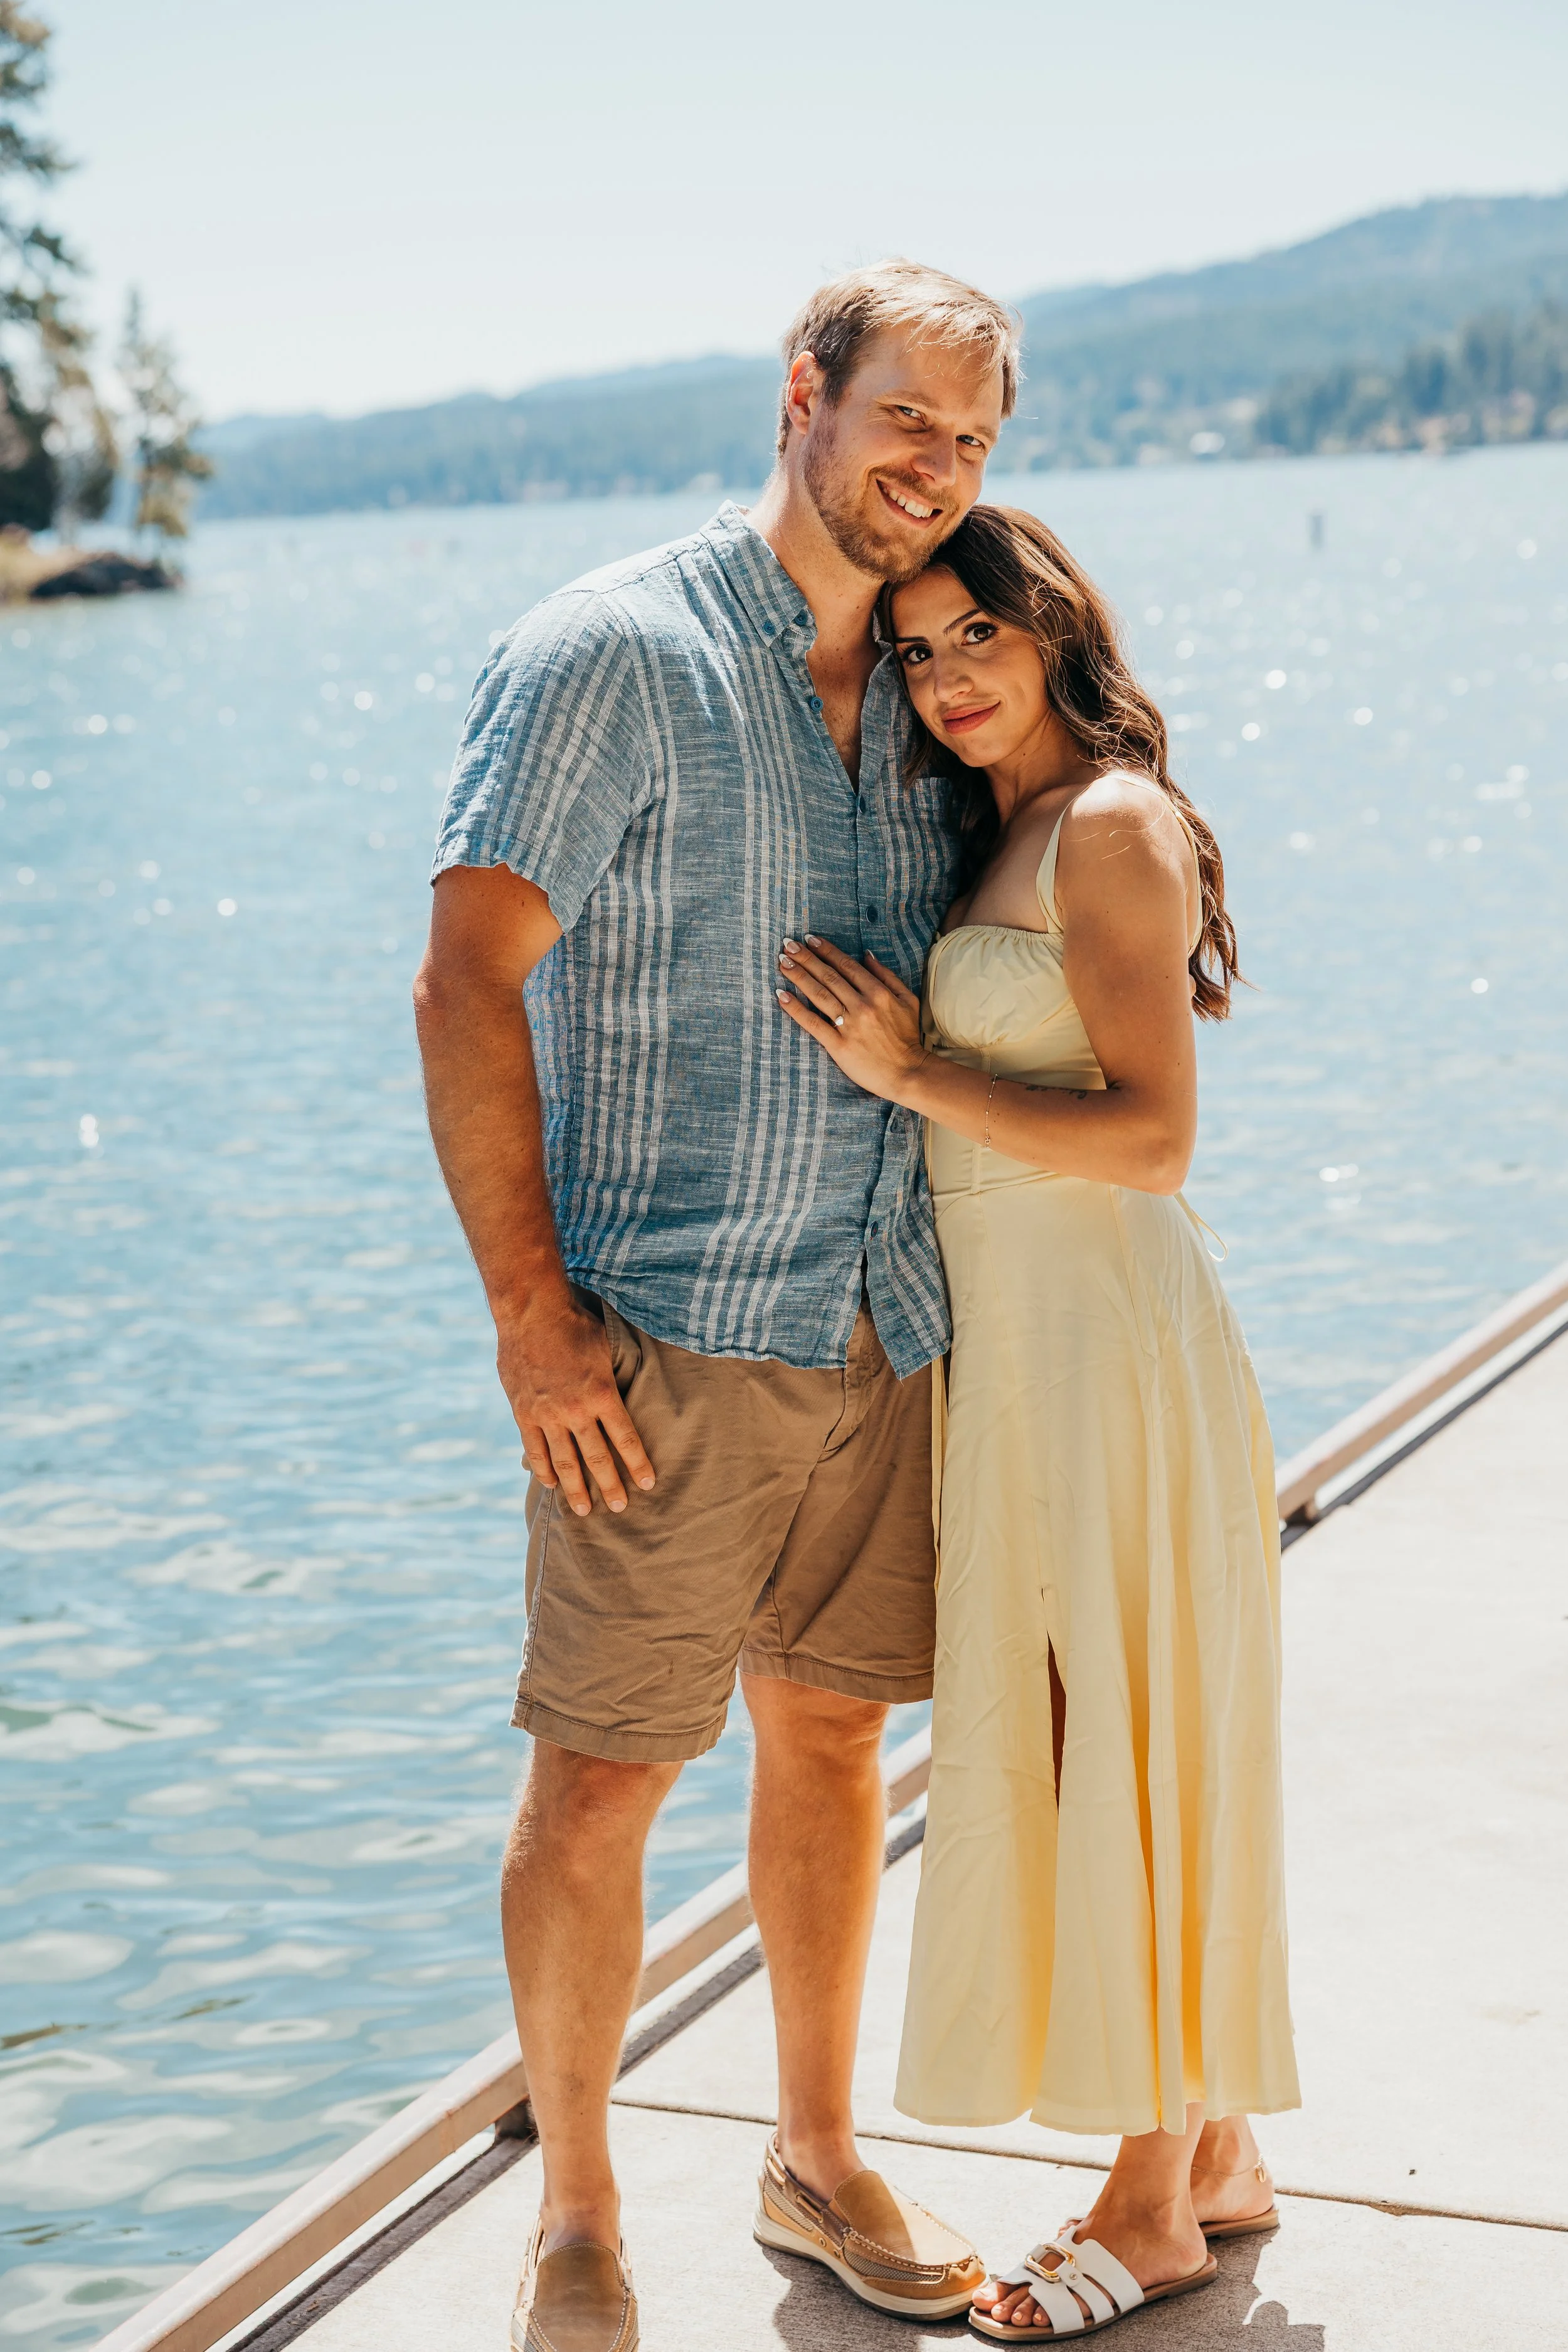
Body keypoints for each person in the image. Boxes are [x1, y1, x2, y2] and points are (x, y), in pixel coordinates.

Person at [414, 262, 1019, 2352]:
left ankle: (813, 2144)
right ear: (802, 395)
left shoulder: (951, 679)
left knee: (837, 1731)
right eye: (904, 422)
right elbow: (465, 979)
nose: (931, 473)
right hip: (658, 1329)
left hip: (884, 1312)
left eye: (970, 441)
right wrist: (529, 1322)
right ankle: (575, 2206)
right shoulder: (610, 652)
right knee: (600, 1772)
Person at [776, 504, 1301, 2340]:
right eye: (913, 652)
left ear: (1048, 619)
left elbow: (1156, 1140)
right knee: (1090, 1722)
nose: (943, 676)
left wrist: (911, 1062)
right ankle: (1212, 2145)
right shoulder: (999, 828)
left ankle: (1147, 2205)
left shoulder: (1116, 827)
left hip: (1106, 1342)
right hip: (1007, 1350)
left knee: (1123, 1733)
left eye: (969, 634)